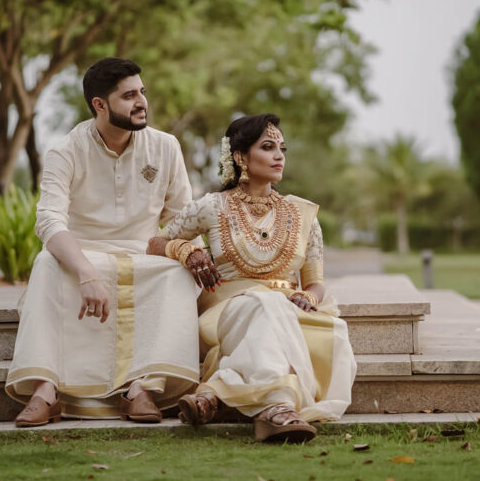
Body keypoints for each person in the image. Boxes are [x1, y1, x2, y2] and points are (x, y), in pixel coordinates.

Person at [6, 58, 215, 426]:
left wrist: (191, 251)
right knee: (46, 264)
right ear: (99, 105)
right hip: (82, 254)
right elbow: (49, 220)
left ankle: (142, 388)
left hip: (143, 255)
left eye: (142, 93)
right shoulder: (65, 151)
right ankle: (45, 389)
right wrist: (86, 273)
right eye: (129, 95)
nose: (141, 103)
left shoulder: (165, 147)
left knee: (174, 274)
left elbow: (181, 218)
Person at [149, 113, 357, 442]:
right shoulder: (211, 207)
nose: (279, 156)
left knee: (278, 308)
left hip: (287, 311)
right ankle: (278, 410)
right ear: (240, 157)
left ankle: (216, 392)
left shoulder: (302, 215)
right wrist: (186, 251)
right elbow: (155, 243)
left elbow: (314, 282)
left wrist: (311, 297)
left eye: (282, 149)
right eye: (268, 147)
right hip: (226, 313)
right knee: (265, 303)